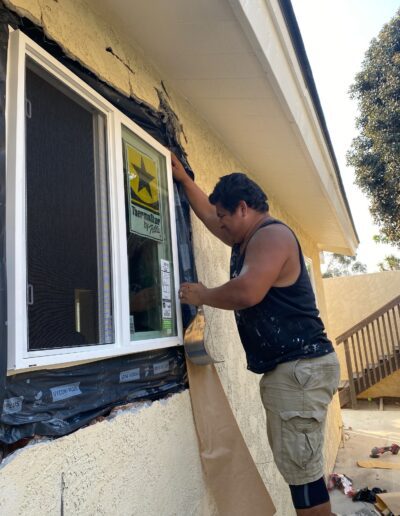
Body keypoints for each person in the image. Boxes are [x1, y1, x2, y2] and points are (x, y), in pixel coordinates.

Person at [171, 154, 340, 516]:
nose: (220, 225)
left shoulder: (272, 236)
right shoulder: (248, 236)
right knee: (302, 473)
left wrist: (203, 295)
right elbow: (210, 217)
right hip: (297, 371)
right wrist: (185, 181)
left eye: (224, 217)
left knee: (304, 479)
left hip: (299, 371)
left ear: (243, 208)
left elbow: (247, 291)